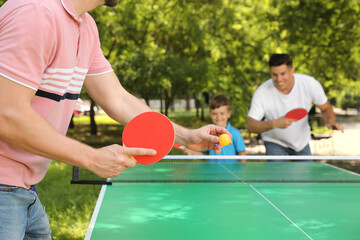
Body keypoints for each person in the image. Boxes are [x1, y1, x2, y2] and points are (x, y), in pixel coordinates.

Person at [0, 0, 230, 239]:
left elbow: (117, 98)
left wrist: (184, 136)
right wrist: (91, 157)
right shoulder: (36, 14)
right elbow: (7, 113)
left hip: (23, 190)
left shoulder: (85, 26)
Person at [246, 53, 343, 157]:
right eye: (274, 75)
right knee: (277, 173)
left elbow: (326, 108)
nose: (279, 79)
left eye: (283, 74)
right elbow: (251, 126)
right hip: (274, 141)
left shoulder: (309, 84)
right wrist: (275, 123)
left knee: (304, 173)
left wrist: (331, 121)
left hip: (301, 143)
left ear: (292, 70)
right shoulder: (262, 92)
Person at [182, 94, 246, 162]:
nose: (218, 117)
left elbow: (242, 156)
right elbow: (205, 155)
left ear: (229, 113)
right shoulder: (207, 133)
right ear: (210, 114)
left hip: (231, 171)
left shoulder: (235, 133)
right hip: (212, 171)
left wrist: (240, 172)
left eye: (222, 113)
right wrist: (192, 153)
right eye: (214, 114)